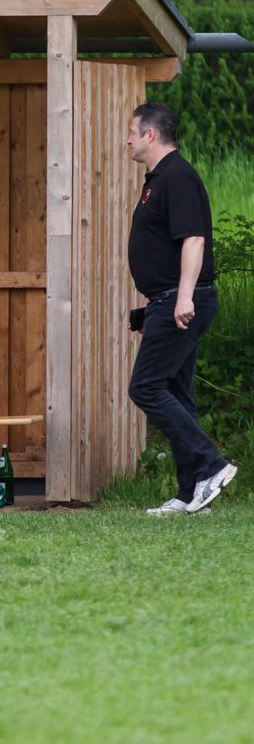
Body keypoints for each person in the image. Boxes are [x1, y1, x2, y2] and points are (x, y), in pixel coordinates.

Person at [126, 103, 237, 515]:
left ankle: (212, 466)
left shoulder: (178, 177)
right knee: (175, 391)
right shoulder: (159, 179)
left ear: (151, 135)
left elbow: (193, 239)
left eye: (133, 132)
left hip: (181, 300)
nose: (129, 140)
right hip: (168, 299)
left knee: (146, 387)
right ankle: (193, 493)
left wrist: (184, 296)